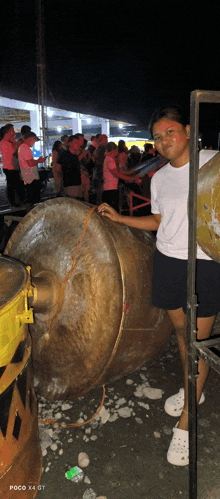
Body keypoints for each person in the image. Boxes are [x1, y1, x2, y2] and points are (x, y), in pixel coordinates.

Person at [98, 105, 220, 466]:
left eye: (170, 132)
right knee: (182, 334)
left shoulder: (213, 162)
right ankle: (191, 390)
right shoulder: (160, 177)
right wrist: (119, 217)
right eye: (157, 136)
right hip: (167, 261)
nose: (164, 140)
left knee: (198, 342)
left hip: (205, 264)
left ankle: (186, 424)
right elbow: (158, 220)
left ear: (187, 129)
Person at [18, 131, 47, 212]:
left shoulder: (24, 148)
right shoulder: (24, 148)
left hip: (30, 177)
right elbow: (30, 163)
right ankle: (30, 215)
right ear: (31, 139)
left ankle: (31, 214)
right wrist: (39, 160)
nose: (34, 143)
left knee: (32, 197)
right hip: (30, 178)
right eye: (34, 141)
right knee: (32, 198)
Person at [0, 123, 26, 207]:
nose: (14, 132)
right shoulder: (4, 143)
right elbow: (14, 153)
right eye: (12, 131)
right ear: (7, 133)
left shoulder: (11, 141)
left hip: (14, 167)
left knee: (16, 185)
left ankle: (19, 201)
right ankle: (14, 202)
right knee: (13, 186)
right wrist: (18, 143)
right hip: (9, 168)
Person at [102, 142, 119, 210]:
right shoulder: (110, 160)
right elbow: (116, 174)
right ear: (114, 150)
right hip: (111, 189)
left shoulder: (108, 159)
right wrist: (130, 178)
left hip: (109, 188)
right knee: (113, 210)